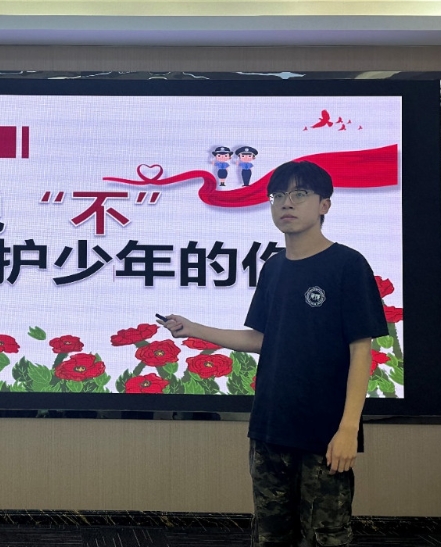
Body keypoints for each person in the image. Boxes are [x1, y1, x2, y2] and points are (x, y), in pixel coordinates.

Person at [159, 161, 387, 547]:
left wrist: (348, 429)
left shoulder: (348, 265)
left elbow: (360, 350)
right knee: (270, 536)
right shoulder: (274, 267)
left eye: (299, 194)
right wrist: (193, 328)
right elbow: (262, 339)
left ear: (324, 205)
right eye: (277, 195)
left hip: (324, 433)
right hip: (270, 427)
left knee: (325, 538)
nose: (286, 203)